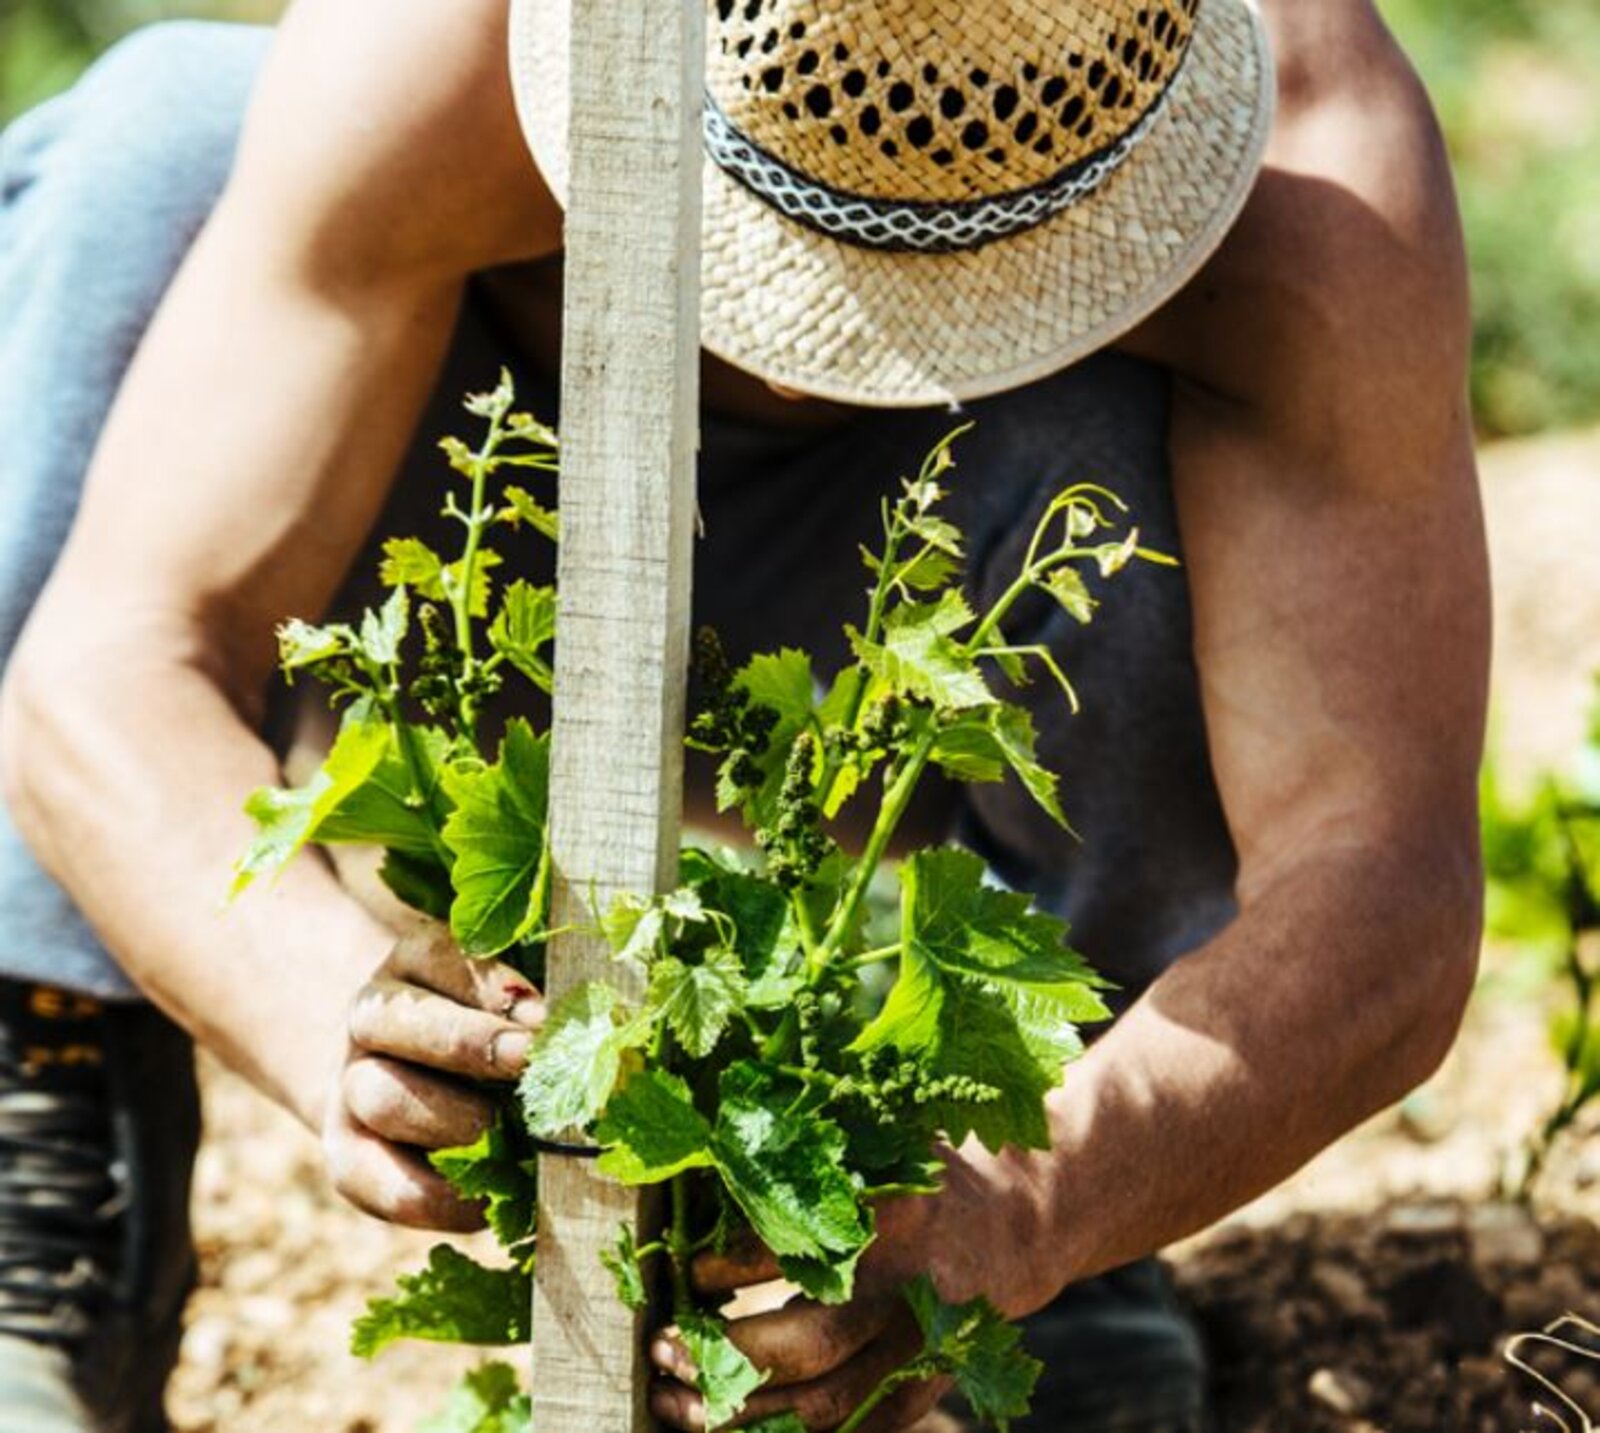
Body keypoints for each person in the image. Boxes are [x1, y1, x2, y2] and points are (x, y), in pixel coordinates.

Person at [0, 0, 1487, 1429]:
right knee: (158, 148)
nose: (804, 344)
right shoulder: (450, 41)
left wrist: (1034, 1204)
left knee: (1120, 484)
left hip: (943, 586)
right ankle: (52, 1101)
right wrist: (330, 1014)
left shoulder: (1305, 148)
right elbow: (109, 663)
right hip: (482, 501)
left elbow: (1384, 876)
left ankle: (1038, 1189)